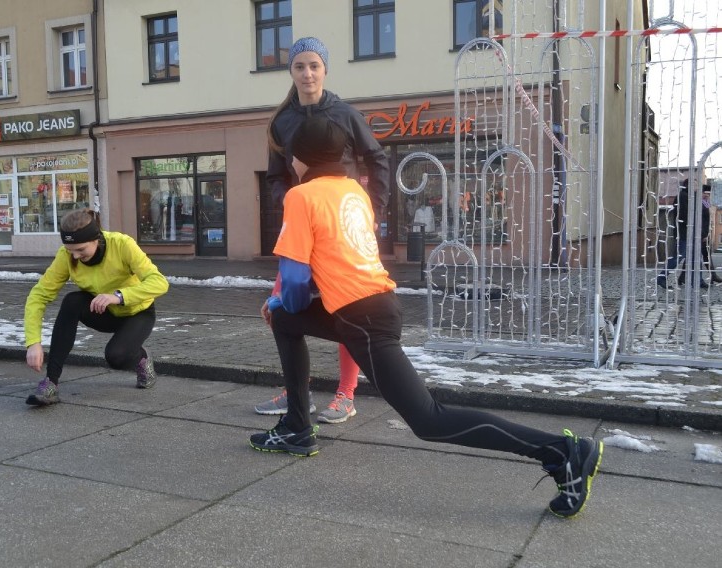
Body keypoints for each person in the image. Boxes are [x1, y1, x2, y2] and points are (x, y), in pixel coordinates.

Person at [249, 116, 604, 519]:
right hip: (375, 305)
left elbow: (295, 283)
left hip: (362, 319)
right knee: (285, 320)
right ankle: (297, 427)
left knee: (428, 419)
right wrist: (282, 310)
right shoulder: (352, 191)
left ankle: (562, 452)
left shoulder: (302, 196)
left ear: (300, 157)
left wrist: (280, 303)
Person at [254, 36, 391, 424]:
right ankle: (296, 390)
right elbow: (275, 176)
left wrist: (373, 212)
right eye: (300, 66)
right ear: (292, 72)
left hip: (342, 230)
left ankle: (346, 394)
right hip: (302, 224)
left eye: (314, 65)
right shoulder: (282, 121)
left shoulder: (345, 114)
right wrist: (290, 202)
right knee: (280, 310)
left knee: (346, 306)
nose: (307, 73)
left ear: (325, 69)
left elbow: (377, 160)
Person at [24, 208, 169, 406]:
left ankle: (141, 357)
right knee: (71, 301)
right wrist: (33, 341)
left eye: (81, 250)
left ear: (96, 238)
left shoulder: (122, 245)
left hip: (138, 312)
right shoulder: (66, 256)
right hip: (103, 313)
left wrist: (118, 296)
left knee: (116, 356)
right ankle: (50, 384)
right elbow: (38, 295)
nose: (74, 257)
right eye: (70, 250)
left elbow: (160, 282)